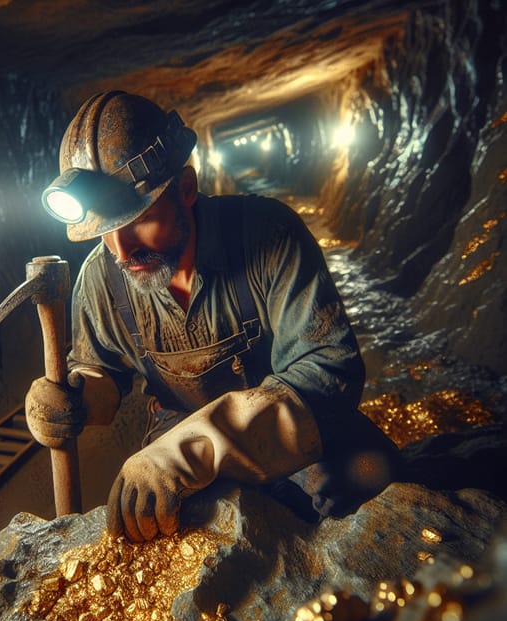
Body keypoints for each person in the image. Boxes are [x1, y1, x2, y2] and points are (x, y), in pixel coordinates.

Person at [26, 90, 400, 543]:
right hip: (176, 433)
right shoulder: (102, 277)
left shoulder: (267, 235)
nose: (122, 251)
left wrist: (193, 450)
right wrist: (75, 398)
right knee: (163, 536)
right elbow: (102, 371)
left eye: (139, 220)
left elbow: (329, 374)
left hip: (290, 431)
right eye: (106, 232)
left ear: (185, 189)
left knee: (370, 474)